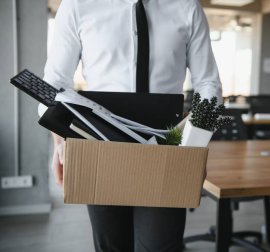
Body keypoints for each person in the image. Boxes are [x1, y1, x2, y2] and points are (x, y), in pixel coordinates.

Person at [44, 0, 222, 251]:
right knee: (111, 246)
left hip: (167, 153)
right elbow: (54, 85)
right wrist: (60, 141)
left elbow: (209, 85)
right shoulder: (77, 5)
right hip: (99, 149)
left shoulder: (187, 7)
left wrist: (195, 145)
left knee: (160, 246)